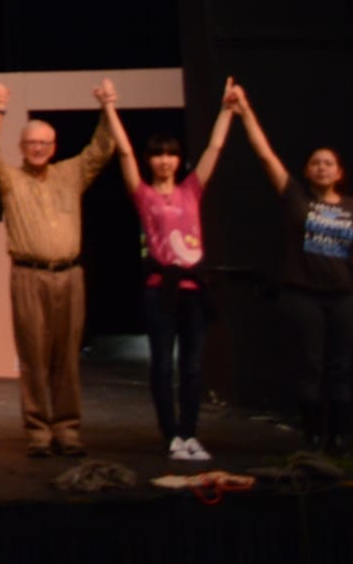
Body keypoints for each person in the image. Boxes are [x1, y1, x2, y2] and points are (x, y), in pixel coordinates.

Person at [232, 79, 353, 454]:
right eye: (315, 163)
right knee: (310, 365)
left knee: (339, 367)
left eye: (329, 163)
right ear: (307, 172)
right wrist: (245, 112)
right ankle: (311, 437)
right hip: (302, 296)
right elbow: (265, 156)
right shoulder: (296, 197)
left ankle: (336, 437)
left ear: (339, 172)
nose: (322, 167)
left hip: (344, 297)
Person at [0, 79, 116, 456]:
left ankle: (67, 430)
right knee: (33, 356)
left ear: (54, 147)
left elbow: (102, 148)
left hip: (69, 275)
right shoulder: (9, 178)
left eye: (44, 143)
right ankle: (38, 432)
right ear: (21, 147)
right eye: (31, 143)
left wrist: (107, 107)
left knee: (66, 357)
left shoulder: (71, 173)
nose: (38, 148)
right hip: (28, 275)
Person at [102, 77, 232, 461]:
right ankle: (171, 434)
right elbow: (123, 153)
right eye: (157, 154)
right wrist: (109, 106)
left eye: (170, 154)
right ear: (150, 160)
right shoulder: (142, 195)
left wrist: (226, 110)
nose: (164, 160)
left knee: (192, 366)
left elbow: (215, 147)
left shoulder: (191, 190)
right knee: (162, 365)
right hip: (160, 290)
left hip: (194, 290)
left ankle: (190, 433)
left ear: (178, 159)